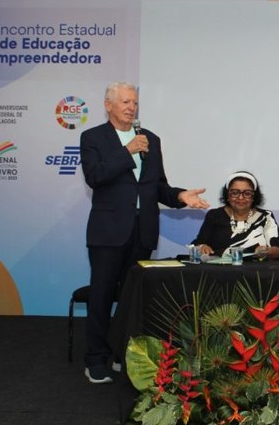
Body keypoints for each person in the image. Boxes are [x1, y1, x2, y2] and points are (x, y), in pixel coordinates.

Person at [80, 81, 210, 384]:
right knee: (101, 295)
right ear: (108, 105)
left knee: (131, 298)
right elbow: (95, 176)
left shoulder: (150, 139)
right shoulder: (93, 137)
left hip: (143, 230)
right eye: (125, 102)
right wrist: (127, 151)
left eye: (134, 102)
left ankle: (121, 355)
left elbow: (157, 186)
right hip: (108, 232)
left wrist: (179, 197)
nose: (131, 107)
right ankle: (95, 359)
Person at [190, 171, 279, 260]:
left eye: (247, 193)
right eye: (235, 193)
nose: (241, 198)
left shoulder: (266, 216)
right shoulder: (214, 215)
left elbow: (278, 250)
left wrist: (266, 251)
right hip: (220, 272)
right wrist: (202, 247)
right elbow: (197, 244)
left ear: (254, 196)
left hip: (256, 273)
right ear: (228, 195)